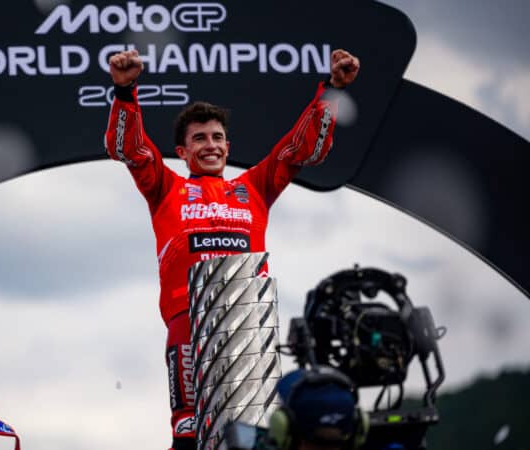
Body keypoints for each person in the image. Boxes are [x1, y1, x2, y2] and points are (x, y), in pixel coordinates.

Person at [104, 48, 360, 450]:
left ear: (228, 146)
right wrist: (125, 92)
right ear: (183, 152)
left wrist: (331, 90)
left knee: (253, 433)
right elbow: (130, 150)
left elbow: (300, 149)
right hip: (189, 322)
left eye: (218, 137)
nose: (211, 145)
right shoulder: (167, 188)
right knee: (188, 433)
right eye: (199, 138)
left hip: (249, 325)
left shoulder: (253, 188)